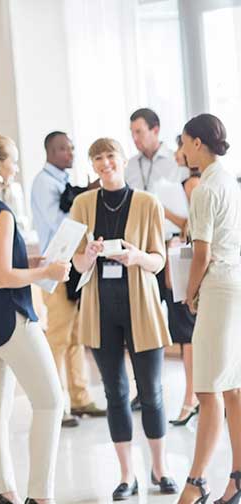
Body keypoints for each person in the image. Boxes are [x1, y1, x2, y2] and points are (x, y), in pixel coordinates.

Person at [0, 134, 66, 504]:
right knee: (51, 401)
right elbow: (3, 276)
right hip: (9, 321)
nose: (17, 168)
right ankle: (41, 496)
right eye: (14, 161)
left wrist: (39, 264)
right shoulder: (0, 212)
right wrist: (45, 271)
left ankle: (2, 491)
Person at [69, 138, 177, 500]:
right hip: (101, 308)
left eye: (110, 156)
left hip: (141, 306)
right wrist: (89, 253)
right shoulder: (82, 204)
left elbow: (159, 260)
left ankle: (159, 469)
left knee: (152, 392)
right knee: (115, 393)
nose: (104, 163)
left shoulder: (147, 202)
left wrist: (136, 257)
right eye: (97, 157)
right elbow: (76, 264)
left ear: (122, 159)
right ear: (92, 164)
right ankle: (126, 474)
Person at [178, 113, 241, 504]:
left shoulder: (203, 189)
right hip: (236, 282)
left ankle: (196, 482)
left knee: (207, 390)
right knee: (232, 387)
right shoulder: (230, 181)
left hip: (217, 287)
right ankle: (237, 478)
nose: (182, 150)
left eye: (184, 142)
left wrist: (189, 293)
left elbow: (200, 253)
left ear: (198, 143)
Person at [30, 131, 106, 428]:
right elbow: (60, 222)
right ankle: (56, 404)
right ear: (50, 151)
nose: (69, 153)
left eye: (72, 148)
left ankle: (80, 397)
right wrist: (86, 197)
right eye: (63, 148)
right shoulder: (43, 183)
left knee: (75, 335)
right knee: (58, 336)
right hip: (57, 264)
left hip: (75, 264)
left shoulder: (63, 182)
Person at [165, 133, 200, 427]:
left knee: (188, 335)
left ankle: (191, 398)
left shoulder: (192, 184)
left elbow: (193, 225)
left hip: (188, 262)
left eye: (180, 146)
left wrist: (163, 212)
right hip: (183, 257)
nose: (178, 153)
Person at [127, 108, 189, 230]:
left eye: (139, 132)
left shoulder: (178, 161)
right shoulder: (129, 166)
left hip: (174, 237)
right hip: (140, 234)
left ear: (155, 130)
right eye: (132, 132)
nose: (134, 138)